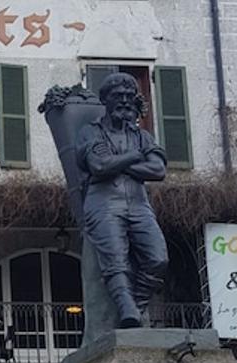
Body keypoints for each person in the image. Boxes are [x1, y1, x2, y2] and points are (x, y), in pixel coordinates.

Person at [75, 73, 169, 328]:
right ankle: (126, 308)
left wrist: (121, 162)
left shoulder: (143, 136)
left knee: (158, 257)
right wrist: (137, 157)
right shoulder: (90, 132)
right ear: (106, 99)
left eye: (130, 97)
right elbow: (100, 165)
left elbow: (158, 171)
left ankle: (136, 304)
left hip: (139, 204)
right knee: (116, 260)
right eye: (119, 96)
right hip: (103, 203)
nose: (125, 102)